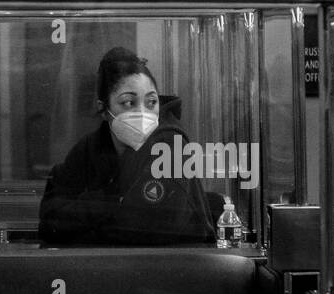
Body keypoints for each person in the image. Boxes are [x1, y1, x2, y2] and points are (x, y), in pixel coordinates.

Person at [38, 47, 216, 246]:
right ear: (104, 109)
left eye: (151, 102)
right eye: (128, 102)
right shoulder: (91, 146)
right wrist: (114, 199)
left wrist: (89, 214)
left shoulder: (170, 145)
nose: (143, 113)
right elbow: (50, 222)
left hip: (178, 264)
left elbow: (147, 230)